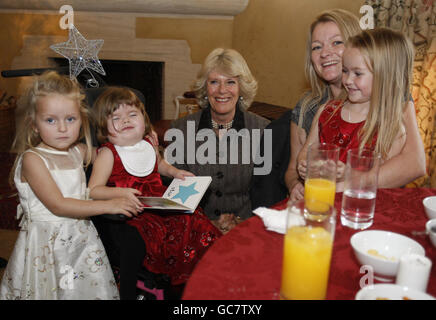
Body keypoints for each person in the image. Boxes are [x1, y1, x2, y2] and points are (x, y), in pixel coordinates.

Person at [0, 71, 138, 300]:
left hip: (81, 242)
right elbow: (59, 205)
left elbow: (113, 155)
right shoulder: (33, 160)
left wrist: (135, 139)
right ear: (34, 124)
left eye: (70, 119)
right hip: (46, 247)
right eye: (51, 120)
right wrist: (109, 204)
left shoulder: (78, 151)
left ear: (81, 120)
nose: (62, 128)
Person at [88, 87, 220, 300]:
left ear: (144, 119)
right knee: (139, 239)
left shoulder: (148, 144)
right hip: (132, 210)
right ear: (104, 125)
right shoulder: (108, 154)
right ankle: (127, 292)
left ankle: (205, 275)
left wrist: (176, 173)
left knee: (195, 221)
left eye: (132, 115)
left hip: (159, 202)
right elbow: (94, 190)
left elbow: (159, 165)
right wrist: (120, 192)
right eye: (116, 118)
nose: (126, 121)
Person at [285, 9, 425, 201]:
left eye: (336, 42)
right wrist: (298, 181)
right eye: (317, 47)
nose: (325, 53)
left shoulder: (393, 107)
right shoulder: (315, 108)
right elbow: (297, 165)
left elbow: (413, 164)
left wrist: (346, 179)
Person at [170, 48, 270, 233]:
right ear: (205, 88)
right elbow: (176, 199)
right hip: (194, 230)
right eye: (214, 82)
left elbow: (267, 195)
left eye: (230, 82)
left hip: (247, 229)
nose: (222, 90)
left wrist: (241, 223)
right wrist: (208, 225)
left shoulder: (263, 130)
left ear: (241, 88)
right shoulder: (180, 130)